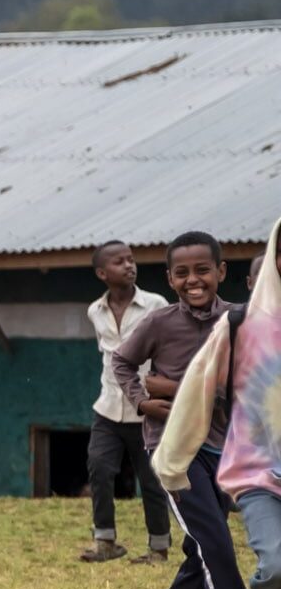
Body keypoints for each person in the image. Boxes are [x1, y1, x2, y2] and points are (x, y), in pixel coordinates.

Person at [154, 219, 281, 589]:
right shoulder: (240, 325)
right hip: (253, 472)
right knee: (267, 564)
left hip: (242, 463)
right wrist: (170, 457)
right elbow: (196, 391)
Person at [112, 231, 256, 589]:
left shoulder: (239, 320)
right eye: (182, 273)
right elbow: (121, 362)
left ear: (221, 272)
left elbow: (244, 384)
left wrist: (172, 388)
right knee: (216, 544)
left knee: (202, 550)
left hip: (224, 450)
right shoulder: (159, 323)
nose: (193, 280)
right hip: (172, 449)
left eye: (202, 270)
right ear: (170, 278)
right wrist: (141, 399)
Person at [82, 239, 174, 564]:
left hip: (147, 408)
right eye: (120, 262)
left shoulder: (156, 304)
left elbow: (170, 347)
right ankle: (105, 542)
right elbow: (107, 356)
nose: (129, 266)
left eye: (131, 260)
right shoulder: (95, 311)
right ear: (102, 273)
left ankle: (158, 548)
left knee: (150, 479)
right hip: (108, 407)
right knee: (99, 467)